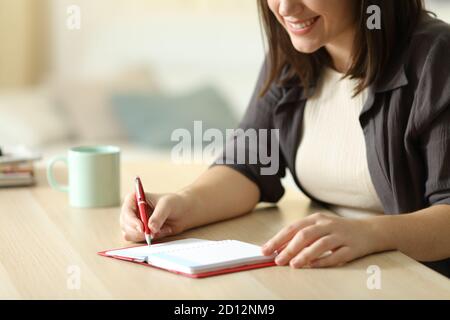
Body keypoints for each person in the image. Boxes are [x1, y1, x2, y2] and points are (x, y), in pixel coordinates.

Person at [120, 0, 450, 277]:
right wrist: (183, 204)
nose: (285, 8)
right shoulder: (293, 54)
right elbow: (247, 165)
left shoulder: (436, 56)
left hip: (415, 280)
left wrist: (371, 234)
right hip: (333, 274)